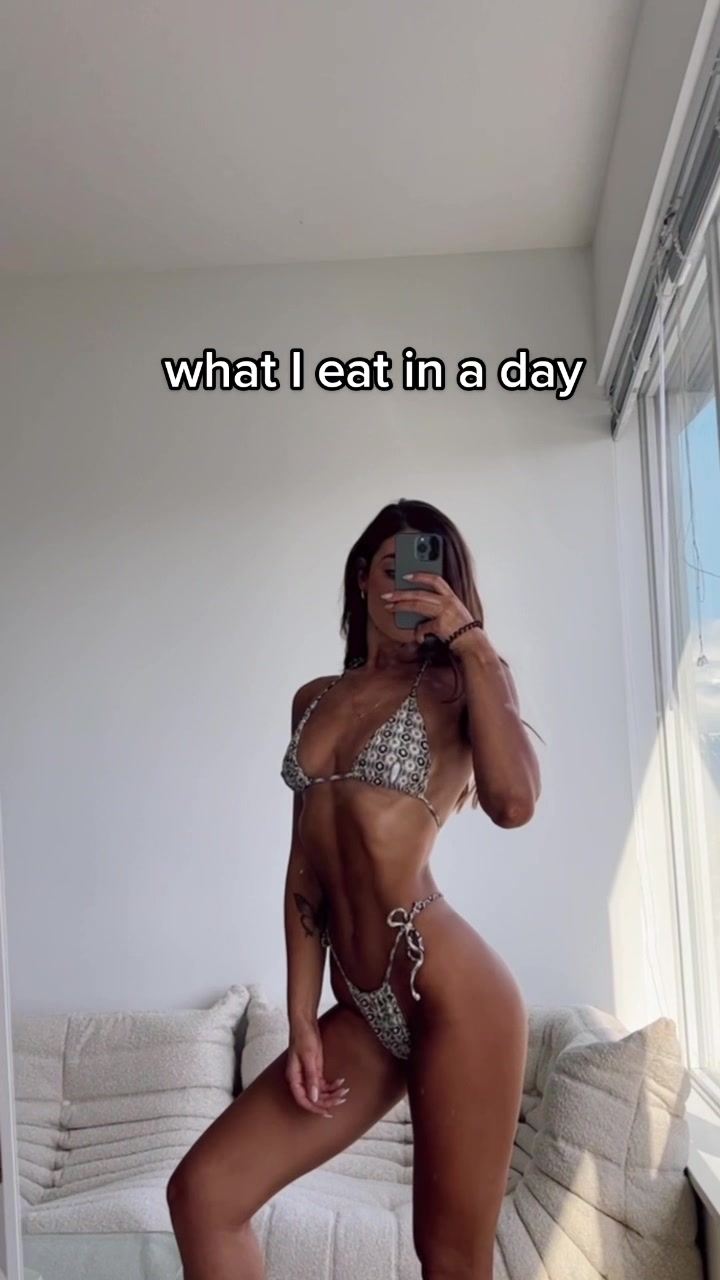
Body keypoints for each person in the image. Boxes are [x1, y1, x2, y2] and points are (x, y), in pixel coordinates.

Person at [167, 498, 541, 1280]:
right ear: (363, 578)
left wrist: (474, 643)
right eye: (393, 569)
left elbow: (514, 804)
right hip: (366, 1009)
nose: (409, 588)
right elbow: (305, 870)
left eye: (429, 575)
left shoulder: (460, 686)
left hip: (456, 996)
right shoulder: (312, 700)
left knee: (449, 1259)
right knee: (203, 1195)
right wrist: (301, 1018)